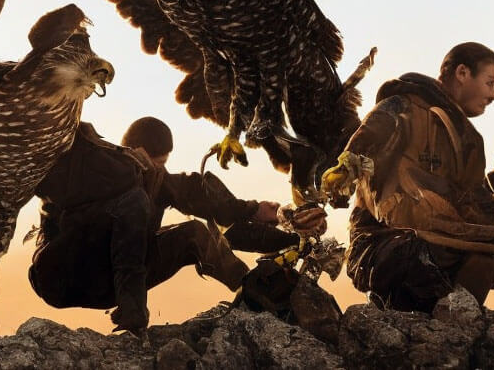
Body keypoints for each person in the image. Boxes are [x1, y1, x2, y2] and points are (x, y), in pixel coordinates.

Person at [28, 117, 301, 334]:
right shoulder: (92, 166)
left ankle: (253, 292)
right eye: (156, 162)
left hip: (109, 283)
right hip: (62, 274)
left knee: (195, 234)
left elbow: (202, 199)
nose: (156, 170)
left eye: (161, 165)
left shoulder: (154, 179)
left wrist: (259, 214)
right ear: (133, 149)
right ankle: (133, 310)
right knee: (133, 201)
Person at [324, 42, 494, 312]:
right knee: (420, 253)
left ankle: (453, 323)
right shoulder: (401, 108)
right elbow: (357, 152)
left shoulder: (469, 139)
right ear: (462, 73)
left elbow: (473, 201)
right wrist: (340, 178)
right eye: (490, 82)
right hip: (385, 245)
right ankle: (401, 318)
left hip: (440, 241)